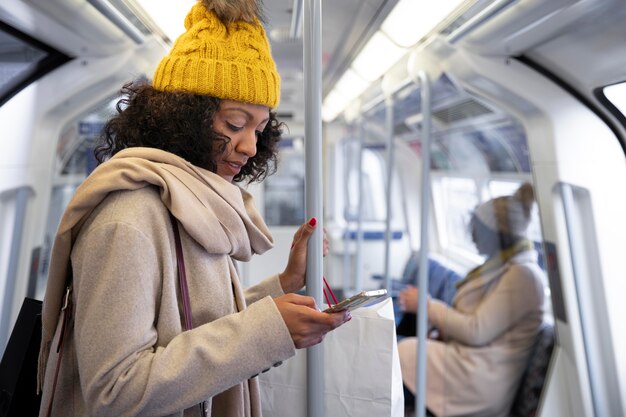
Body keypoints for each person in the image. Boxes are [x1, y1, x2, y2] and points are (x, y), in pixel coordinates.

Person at [36, 1, 350, 416]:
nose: (251, 146)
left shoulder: (193, 204)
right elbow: (115, 391)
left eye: (259, 129)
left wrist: (284, 284)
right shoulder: (128, 220)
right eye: (235, 125)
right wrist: (267, 330)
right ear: (182, 118)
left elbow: (191, 323)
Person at [398, 183, 545, 417]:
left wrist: (426, 307)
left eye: (478, 230)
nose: (473, 237)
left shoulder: (523, 275)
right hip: (470, 363)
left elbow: (476, 330)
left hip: (480, 381)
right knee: (400, 354)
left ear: (497, 235)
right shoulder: (502, 266)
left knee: (402, 354)